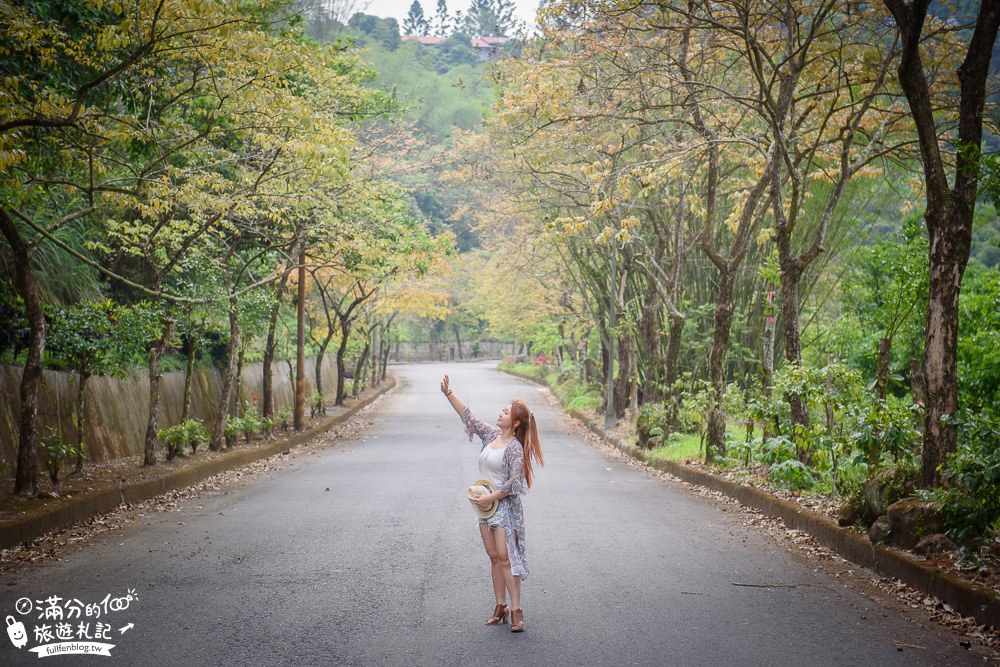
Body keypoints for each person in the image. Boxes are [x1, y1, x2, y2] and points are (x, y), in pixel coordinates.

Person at [440, 374, 545, 633]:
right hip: (484, 507)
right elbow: (470, 419)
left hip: (504, 510)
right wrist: (449, 394)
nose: (500, 413)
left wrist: (492, 497)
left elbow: (513, 483)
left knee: (507, 559)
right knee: (494, 558)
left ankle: (517, 611)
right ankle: (500, 606)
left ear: (516, 421)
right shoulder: (491, 435)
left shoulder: (514, 448)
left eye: (506, 412)